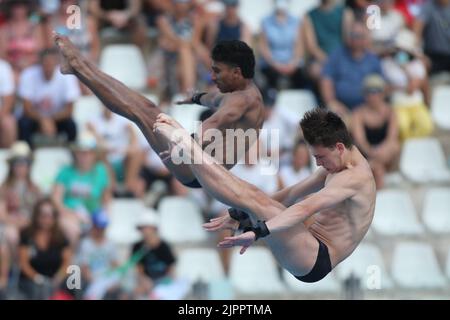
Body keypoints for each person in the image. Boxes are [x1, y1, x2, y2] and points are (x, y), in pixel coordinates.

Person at [153, 109, 376, 283]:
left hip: (315, 259)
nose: (317, 163)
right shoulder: (336, 162)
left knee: (255, 200)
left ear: (338, 147)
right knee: (255, 196)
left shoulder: (354, 178)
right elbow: (291, 192)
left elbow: (304, 208)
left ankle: (188, 146)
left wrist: (258, 231)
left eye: (320, 157)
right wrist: (240, 215)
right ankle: (191, 149)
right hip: (308, 242)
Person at [53, 34, 265, 189]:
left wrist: (180, 147)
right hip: (198, 164)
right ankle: (77, 66)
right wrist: (196, 98)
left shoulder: (241, 101)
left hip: (193, 167)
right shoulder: (244, 93)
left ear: (237, 72)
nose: (212, 76)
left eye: (217, 71)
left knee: (137, 111)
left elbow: (214, 123)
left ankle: (77, 66)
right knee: (146, 108)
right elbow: (216, 101)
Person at [351, 75, 400, 189]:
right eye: (369, 92)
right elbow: (360, 140)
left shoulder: (390, 112)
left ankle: (376, 166)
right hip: (366, 153)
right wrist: (371, 152)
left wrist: (379, 153)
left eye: (376, 91)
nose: (373, 95)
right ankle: (376, 169)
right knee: (377, 168)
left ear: (382, 93)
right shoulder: (358, 114)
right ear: (364, 94)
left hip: (384, 154)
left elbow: (392, 138)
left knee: (395, 146)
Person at [18, 198, 72, 299]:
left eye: (50, 216)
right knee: (40, 290)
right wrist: (38, 278)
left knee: (72, 284)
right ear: (36, 216)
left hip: (55, 280)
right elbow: (23, 263)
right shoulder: (27, 234)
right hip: (31, 281)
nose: (46, 219)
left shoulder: (61, 237)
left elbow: (67, 263)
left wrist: (58, 277)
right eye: (43, 215)